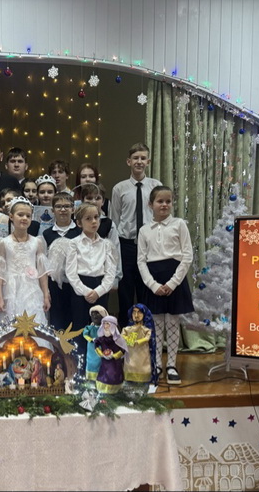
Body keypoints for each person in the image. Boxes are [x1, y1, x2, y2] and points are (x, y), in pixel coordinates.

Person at [137, 185, 194, 385]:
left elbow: (187, 256)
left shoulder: (179, 224)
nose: (164, 205)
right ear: (150, 204)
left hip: (174, 280)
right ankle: (157, 364)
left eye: (168, 201)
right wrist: (153, 285)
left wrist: (173, 282)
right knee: (156, 324)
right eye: (160, 201)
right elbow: (141, 261)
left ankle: (171, 365)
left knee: (172, 322)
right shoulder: (144, 230)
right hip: (153, 280)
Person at [109, 143, 162, 327]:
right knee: (125, 292)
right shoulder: (119, 188)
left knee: (146, 289)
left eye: (143, 158)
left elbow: (160, 216)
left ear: (148, 161)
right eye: (135, 158)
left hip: (149, 245)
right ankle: (125, 332)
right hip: (127, 245)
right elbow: (115, 219)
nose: (139, 161)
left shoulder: (156, 186)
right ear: (128, 161)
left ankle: (146, 332)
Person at [65, 203, 118, 358]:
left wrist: (98, 291)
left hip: (100, 288)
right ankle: (81, 362)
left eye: (96, 217)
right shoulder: (73, 243)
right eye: (88, 219)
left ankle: (101, 362)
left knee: (101, 327)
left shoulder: (106, 245)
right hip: (81, 289)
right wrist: (86, 291)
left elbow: (110, 272)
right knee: (81, 326)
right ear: (79, 223)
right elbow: (71, 272)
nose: (94, 221)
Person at [0, 196, 51, 326]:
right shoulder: (4, 242)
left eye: (28, 216)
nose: (24, 218)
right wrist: (0, 298)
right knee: (11, 323)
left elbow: (42, 273)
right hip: (11, 289)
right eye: (20, 215)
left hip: (32, 289)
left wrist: (45, 295)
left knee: (33, 322)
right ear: (11, 216)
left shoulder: (37, 242)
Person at [42, 192, 81, 334]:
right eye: (58, 206)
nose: (63, 210)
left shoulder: (80, 232)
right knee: (56, 321)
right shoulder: (46, 234)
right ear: (52, 210)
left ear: (73, 209)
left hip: (76, 284)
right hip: (54, 286)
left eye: (67, 206)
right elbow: (43, 262)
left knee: (76, 320)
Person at [122, 304, 157, 385]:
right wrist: (128, 340)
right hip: (130, 352)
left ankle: (143, 381)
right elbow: (122, 336)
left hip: (142, 352)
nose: (136, 315)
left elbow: (148, 337)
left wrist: (138, 341)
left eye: (139, 312)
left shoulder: (146, 329)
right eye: (134, 312)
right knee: (130, 366)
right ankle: (130, 380)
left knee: (142, 366)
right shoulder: (128, 329)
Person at [94, 315, 127, 394]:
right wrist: (101, 353)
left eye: (107, 324)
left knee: (114, 374)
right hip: (105, 363)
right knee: (104, 375)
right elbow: (96, 343)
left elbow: (123, 349)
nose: (105, 326)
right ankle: (103, 391)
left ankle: (115, 391)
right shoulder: (102, 339)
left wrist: (114, 356)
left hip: (115, 363)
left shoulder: (118, 339)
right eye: (104, 324)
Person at [83, 305, 108, 381]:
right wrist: (91, 340)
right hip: (91, 351)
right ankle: (91, 380)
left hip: (102, 350)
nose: (94, 316)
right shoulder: (89, 328)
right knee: (91, 364)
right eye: (93, 314)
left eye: (97, 314)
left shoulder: (106, 328)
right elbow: (85, 335)